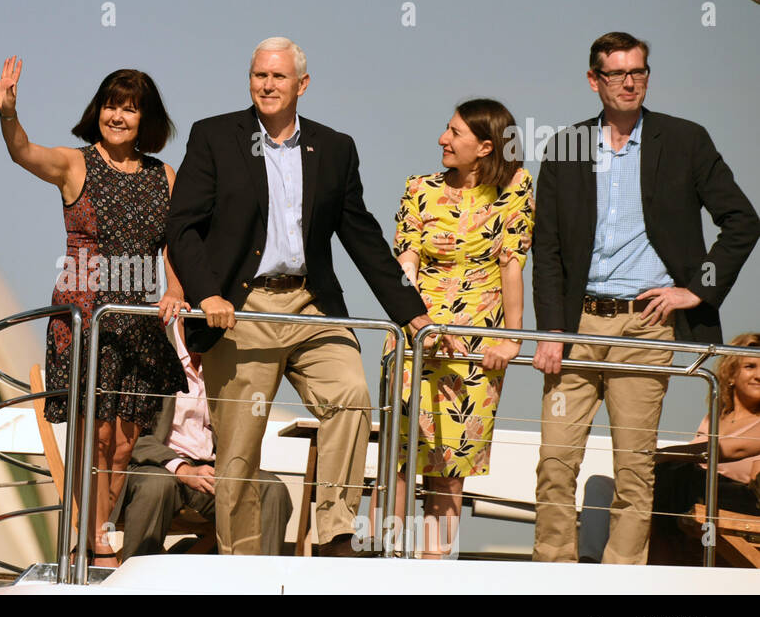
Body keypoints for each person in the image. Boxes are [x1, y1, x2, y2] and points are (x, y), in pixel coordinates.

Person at [166, 37, 435, 556]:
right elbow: (182, 227)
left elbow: (363, 236)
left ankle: (335, 531)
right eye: (259, 75)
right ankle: (240, 564)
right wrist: (207, 293)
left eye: (279, 77)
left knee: (351, 395)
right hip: (240, 310)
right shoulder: (215, 136)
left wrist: (411, 312)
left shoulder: (335, 148)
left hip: (313, 304)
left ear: (302, 85)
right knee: (239, 449)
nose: (267, 85)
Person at [531, 32, 760, 564]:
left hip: (645, 327)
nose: (630, 82)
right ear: (594, 80)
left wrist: (697, 289)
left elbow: (742, 220)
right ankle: (552, 577)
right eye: (617, 73)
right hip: (576, 327)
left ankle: (620, 584)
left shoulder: (685, 140)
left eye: (639, 71)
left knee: (634, 466)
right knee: (555, 460)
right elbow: (547, 248)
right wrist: (550, 332)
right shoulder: (566, 144)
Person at [0, 57, 188, 566]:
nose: (117, 116)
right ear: (96, 111)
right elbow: (23, 153)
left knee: (124, 444)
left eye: (129, 108)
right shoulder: (75, 164)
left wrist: (174, 290)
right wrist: (8, 113)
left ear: (147, 119)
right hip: (86, 316)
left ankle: (102, 531)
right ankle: (95, 540)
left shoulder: (164, 175)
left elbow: (177, 246)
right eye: (109, 105)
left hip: (139, 320)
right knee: (94, 434)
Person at [389, 99, 534, 558]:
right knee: (399, 460)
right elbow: (405, 261)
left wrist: (511, 339)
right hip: (418, 337)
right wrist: (416, 322)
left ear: (485, 146)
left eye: (454, 133)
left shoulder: (516, 186)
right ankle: (387, 569)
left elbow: (513, 263)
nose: (442, 140)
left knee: (450, 470)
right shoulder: (419, 188)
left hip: (477, 351)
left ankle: (431, 576)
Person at [116, 322, 293, 559]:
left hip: (213, 469)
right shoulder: (150, 344)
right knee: (157, 486)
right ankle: (134, 579)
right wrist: (182, 469)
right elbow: (129, 435)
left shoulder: (227, 357)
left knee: (272, 489)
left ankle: (258, 582)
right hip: (155, 466)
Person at [651, 334, 760, 553]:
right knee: (608, 484)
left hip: (740, 498)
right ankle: (593, 559)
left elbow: (731, 450)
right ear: (730, 375)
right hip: (699, 489)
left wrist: (654, 455)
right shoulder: (714, 417)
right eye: (750, 366)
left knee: (671, 474)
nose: (759, 376)